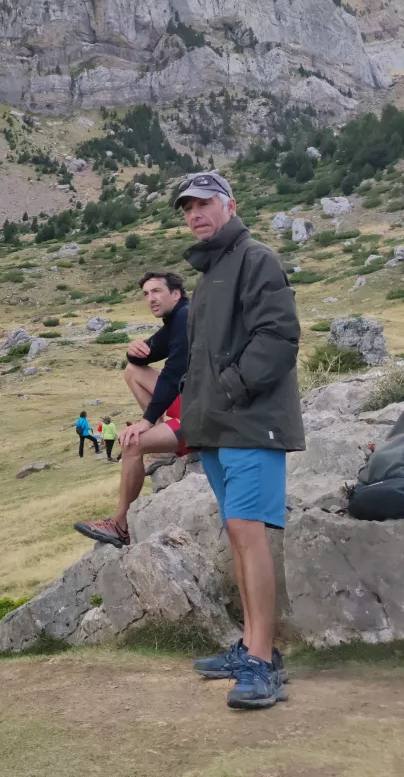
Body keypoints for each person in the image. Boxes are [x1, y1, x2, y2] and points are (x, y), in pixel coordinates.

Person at [175, 171, 302, 711]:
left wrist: (229, 389)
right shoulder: (211, 272)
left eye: (204, 203)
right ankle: (253, 647)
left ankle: (262, 662)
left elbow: (279, 336)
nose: (195, 214)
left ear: (230, 205)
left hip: (251, 422)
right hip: (218, 428)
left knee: (248, 533)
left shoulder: (256, 258)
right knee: (237, 533)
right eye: (187, 208)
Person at [75, 270, 193, 550]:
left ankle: (120, 526)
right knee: (132, 371)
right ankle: (164, 444)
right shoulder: (177, 319)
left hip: (205, 416)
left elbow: (174, 373)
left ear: (176, 294)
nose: (150, 299)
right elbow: (144, 356)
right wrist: (133, 350)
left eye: (157, 291)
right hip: (194, 402)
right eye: (146, 294)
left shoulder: (187, 318)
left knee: (132, 443)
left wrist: (147, 421)